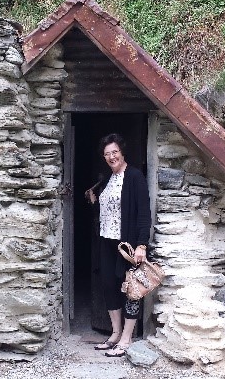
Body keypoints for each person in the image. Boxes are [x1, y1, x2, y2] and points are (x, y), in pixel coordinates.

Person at [84, 133, 151, 357]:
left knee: (131, 289)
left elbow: (143, 213)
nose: (111, 157)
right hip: (106, 241)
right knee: (108, 285)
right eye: (107, 154)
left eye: (115, 152)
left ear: (122, 153)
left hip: (127, 244)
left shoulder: (134, 177)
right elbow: (108, 212)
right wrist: (95, 202)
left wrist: (141, 245)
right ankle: (115, 333)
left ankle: (126, 338)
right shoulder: (107, 180)